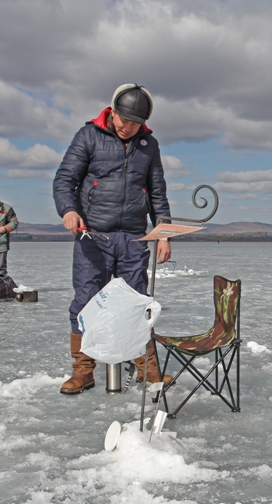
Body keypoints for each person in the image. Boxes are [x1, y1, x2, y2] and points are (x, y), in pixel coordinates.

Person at [53, 84, 173, 395]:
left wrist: (163, 233)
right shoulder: (89, 136)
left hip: (134, 237)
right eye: (122, 119)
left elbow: (157, 191)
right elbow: (65, 178)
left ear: (142, 122)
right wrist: (68, 210)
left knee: (136, 303)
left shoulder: (149, 145)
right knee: (86, 301)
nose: (125, 127)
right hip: (93, 235)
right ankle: (83, 370)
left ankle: (146, 368)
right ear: (113, 111)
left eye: (133, 123)